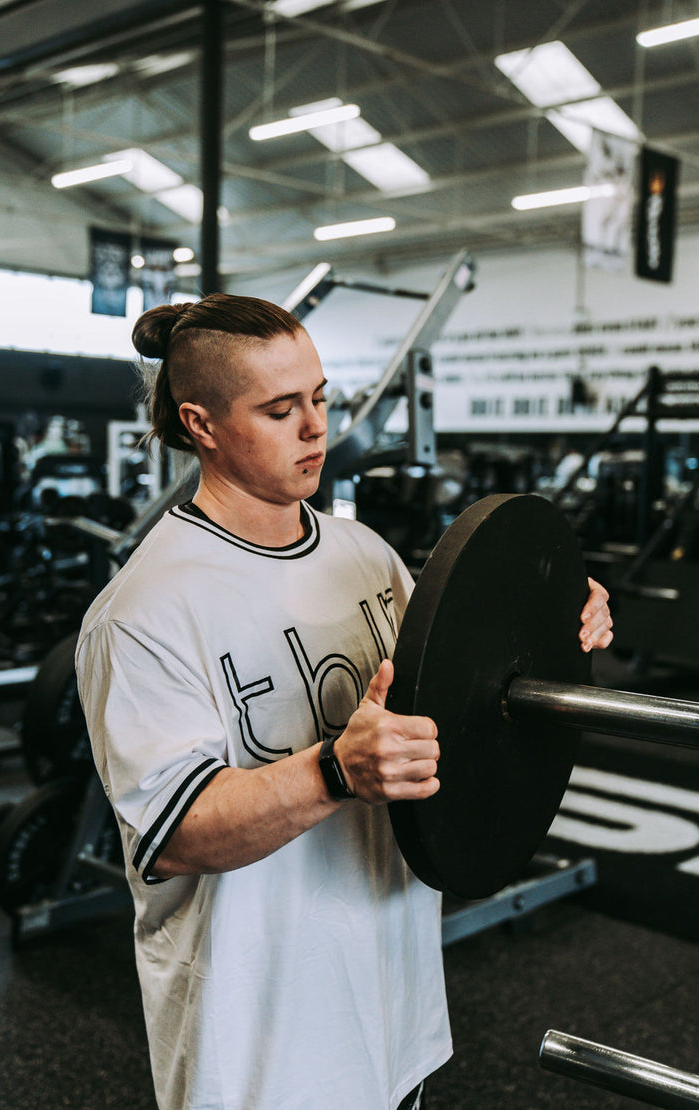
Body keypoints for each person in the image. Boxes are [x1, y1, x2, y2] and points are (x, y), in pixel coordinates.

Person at [75, 293, 613, 1110]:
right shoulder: (143, 611)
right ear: (202, 424)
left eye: (322, 398)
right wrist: (335, 770)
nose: (315, 427)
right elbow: (175, 834)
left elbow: (461, 701)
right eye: (281, 408)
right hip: (260, 1046)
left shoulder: (368, 557)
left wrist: (554, 620)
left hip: (392, 1006)